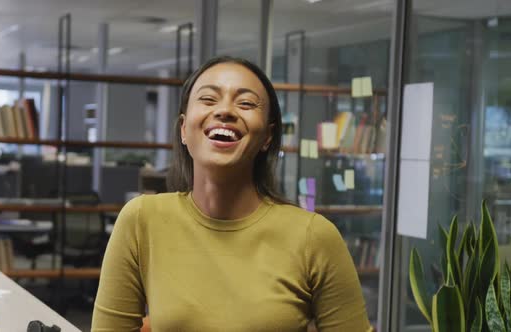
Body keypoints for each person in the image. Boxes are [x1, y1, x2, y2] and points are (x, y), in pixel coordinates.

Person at [91, 56, 372, 331]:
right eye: (209, 99)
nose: (225, 111)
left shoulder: (314, 237)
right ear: (184, 130)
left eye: (246, 103)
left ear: (268, 137)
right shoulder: (141, 220)